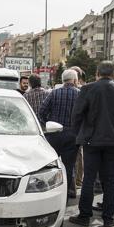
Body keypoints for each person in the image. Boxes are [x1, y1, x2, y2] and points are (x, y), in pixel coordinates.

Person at [69, 61, 114, 227]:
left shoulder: (88, 89)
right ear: (113, 74)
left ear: (97, 73)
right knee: (110, 180)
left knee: (88, 178)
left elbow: (76, 115)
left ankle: (84, 215)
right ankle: (108, 218)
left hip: (92, 141)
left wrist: (78, 136)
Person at [39, 69, 80, 198]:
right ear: (74, 80)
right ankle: (66, 194)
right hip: (73, 135)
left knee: (51, 164)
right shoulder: (80, 94)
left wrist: (48, 124)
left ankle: (49, 192)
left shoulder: (54, 93)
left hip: (54, 133)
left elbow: (42, 111)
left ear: (63, 80)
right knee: (69, 166)